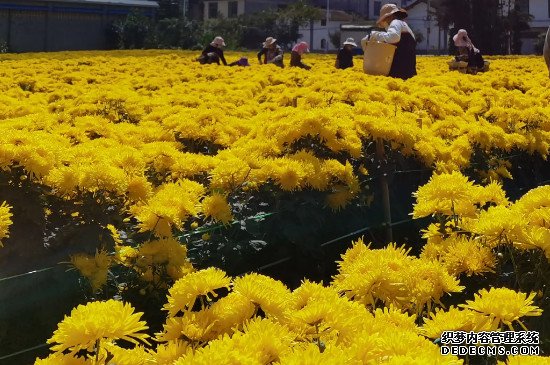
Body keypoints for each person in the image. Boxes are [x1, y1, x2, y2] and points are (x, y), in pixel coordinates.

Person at [363, 4, 416, 80]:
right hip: (408, 71)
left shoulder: (395, 22)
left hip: (399, 72)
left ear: (390, 16)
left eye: (385, 19)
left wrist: (375, 35)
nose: (385, 22)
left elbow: (393, 37)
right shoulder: (405, 26)